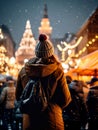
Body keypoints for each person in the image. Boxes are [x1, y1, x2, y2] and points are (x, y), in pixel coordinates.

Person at [16, 34, 72, 130]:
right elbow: (65, 100)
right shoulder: (57, 71)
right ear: (51, 52)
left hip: (30, 121)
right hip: (52, 120)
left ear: (36, 53)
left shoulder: (24, 71)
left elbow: (18, 96)